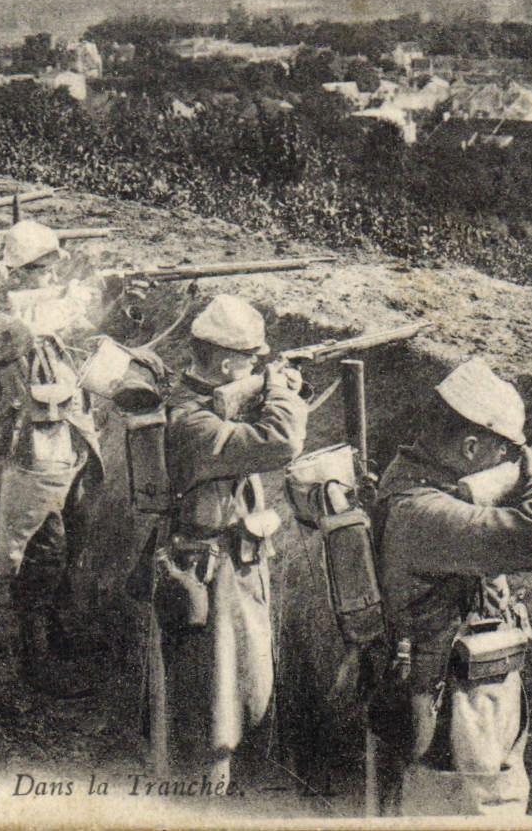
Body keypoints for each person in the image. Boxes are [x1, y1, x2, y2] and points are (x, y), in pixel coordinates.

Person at [368, 358, 532, 817]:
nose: (510, 461)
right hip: (456, 710)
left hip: (470, 694)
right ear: (471, 446)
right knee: (476, 810)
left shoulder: (423, 484)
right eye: (505, 452)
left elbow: (506, 539)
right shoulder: (420, 511)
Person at [142, 294, 307, 785]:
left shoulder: (203, 405)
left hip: (233, 566)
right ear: (229, 361)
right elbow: (280, 441)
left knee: (241, 685)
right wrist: (278, 391)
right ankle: (203, 794)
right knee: (213, 700)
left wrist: (267, 387)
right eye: (253, 359)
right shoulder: (191, 422)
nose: (259, 365)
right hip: (207, 575)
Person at [0, 220, 104, 694]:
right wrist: (76, 298)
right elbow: (19, 332)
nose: (51, 279)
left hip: (63, 444)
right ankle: (36, 662)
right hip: (29, 450)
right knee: (42, 550)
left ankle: (61, 634)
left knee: (70, 539)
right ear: (19, 275)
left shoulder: (29, 309)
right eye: (43, 272)